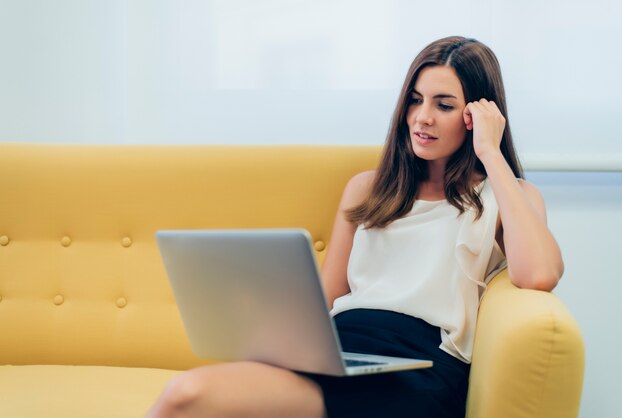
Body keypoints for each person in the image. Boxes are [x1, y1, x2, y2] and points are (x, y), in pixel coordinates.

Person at [145, 36, 564, 418]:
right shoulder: (368, 189)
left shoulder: (507, 194)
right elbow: (327, 298)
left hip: (419, 368)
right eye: (415, 100)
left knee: (188, 397)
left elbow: (538, 273)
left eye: (444, 104)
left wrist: (490, 153)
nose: (422, 118)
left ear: (478, 114)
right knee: (190, 394)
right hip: (342, 349)